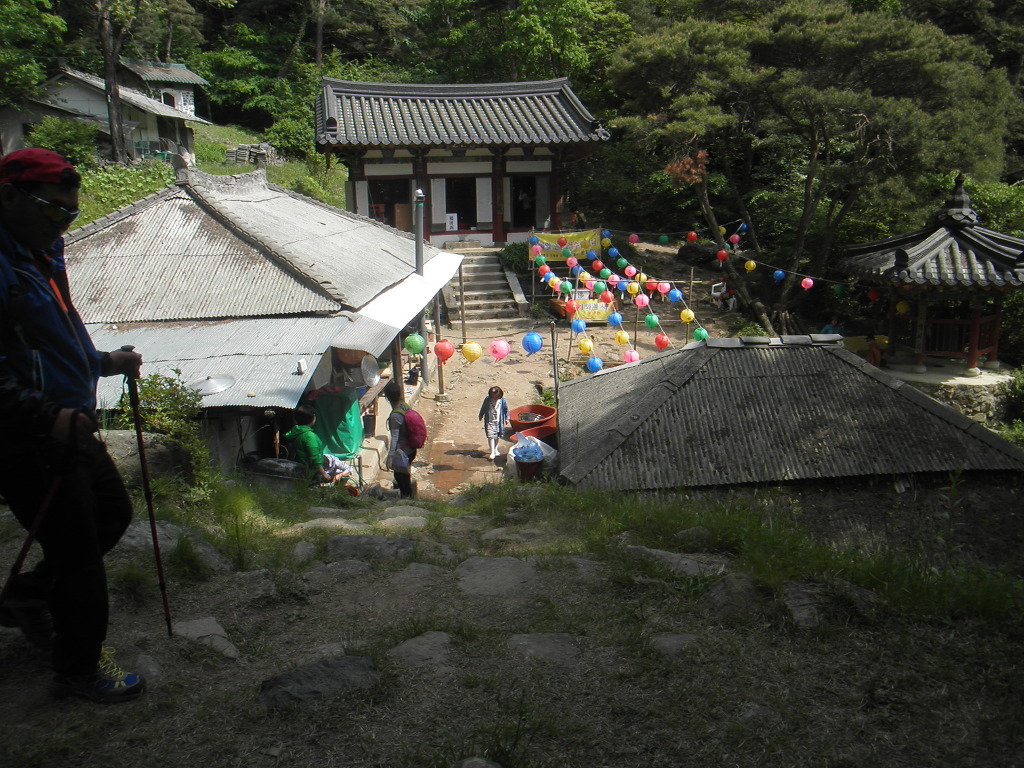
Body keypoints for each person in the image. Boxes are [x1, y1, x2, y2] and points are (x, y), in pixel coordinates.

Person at [0, 148, 146, 703]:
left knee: (112, 513)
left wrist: (103, 362)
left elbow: (53, 337)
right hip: (30, 435)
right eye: (52, 209)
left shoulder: (40, 254)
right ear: (9, 196)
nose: (63, 222)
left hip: (69, 422)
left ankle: (29, 595)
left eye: (71, 212)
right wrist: (44, 415)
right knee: (79, 552)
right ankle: (79, 669)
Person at [384, 380, 415, 498]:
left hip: (403, 452)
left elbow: (395, 438)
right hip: (411, 448)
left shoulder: (395, 416)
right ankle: (410, 497)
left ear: (387, 398)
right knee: (405, 475)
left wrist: (390, 457)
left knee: (400, 477)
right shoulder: (405, 406)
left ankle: (407, 500)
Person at [478, 385, 510, 460]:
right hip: (489, 421)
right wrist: (481, 415)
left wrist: (507, 418)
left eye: (496, 396)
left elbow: (506, 410)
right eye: (493, 396)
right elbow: (483, 407)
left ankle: (495, 449)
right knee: (490, 436)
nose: (494, 398)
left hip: (499, 421)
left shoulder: (502, 400)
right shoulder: (487, 400)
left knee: (497, 436)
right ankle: (492, 451)